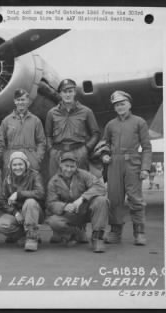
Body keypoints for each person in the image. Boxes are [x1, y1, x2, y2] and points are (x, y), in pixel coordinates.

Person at [45, 79, 100, 242]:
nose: (67, 94)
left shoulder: (86, 111)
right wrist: (51, 150)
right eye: (64, 91)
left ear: (75, 92)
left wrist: (85, 150)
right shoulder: (52, 113)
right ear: (60, 93)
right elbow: (48, 135)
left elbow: (96, 133)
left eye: (70, 91)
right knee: (56, 187)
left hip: (78, 151)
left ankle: (80, 228)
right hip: (58, 152)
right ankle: (58, 231)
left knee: (79, 187)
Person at [102, 90, 152, 246]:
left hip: (133, 163)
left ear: (129, 104)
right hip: (114, 164)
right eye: (116, 105)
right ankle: (115, 232)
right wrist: (104, 155)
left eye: (122, 103)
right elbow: (105, 144)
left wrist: (145, 168)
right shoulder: (110, 124)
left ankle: (139, 232)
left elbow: (146, 147)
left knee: (135, 199)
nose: (120, 107)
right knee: (114, 200)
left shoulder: (139, 122)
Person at [45, 152, 109, 253]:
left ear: (76, 166)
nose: (69, 169)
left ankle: (97, 237)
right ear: (60, 164)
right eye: (66, 166)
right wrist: (65, 206)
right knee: (53, 221)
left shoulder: (84, 175)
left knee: (101, 200)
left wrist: (82, 198)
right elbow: (50, 203)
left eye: (72, 166)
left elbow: (100, 187)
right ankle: (76, 232)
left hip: (85, 209)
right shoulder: (53, 181)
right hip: (69, 215)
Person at [0, 152, 45, 252]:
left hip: (34, 212)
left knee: (30, 202)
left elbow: (40, 193)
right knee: (0, 225)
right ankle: (22, 236)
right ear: (10, 166)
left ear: (26, 164)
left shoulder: (35, 176)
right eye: (14, 165)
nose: (18, 167)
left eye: (20, 164)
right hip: (18, 214)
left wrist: (19, 194)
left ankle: (32, 237)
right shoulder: (7, 179)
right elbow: (1, 201)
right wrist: (15, 213)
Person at [1, 88, 46, 178]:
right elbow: (1, 142)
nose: (20, 102)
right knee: (11, 186)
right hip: (12, 157)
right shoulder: (6, 121)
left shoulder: (35, 120)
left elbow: (41, 142)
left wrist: (37, 158)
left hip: (30, 157)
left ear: (28, 101)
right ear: (14, 101)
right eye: (18, 100)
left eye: (23, 100)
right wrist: (6, 157)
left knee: (31, 184)